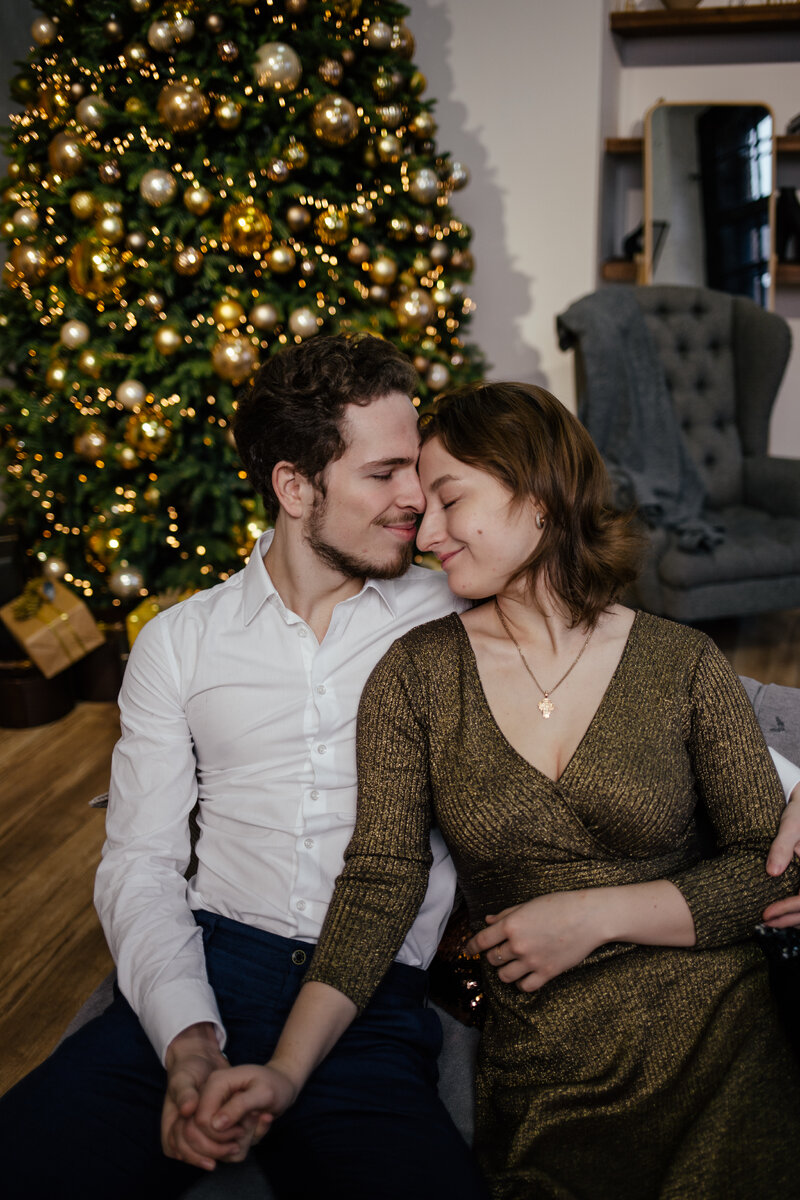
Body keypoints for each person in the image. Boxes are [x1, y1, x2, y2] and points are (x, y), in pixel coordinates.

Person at [191, 382, 800, 1200]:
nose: (425, 534)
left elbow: (774, 866)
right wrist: (285, 1072)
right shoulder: (416, 675)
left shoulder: (681, 662)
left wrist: (596, 915)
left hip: (721, 1037)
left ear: (539, 496)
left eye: (450, 501)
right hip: (551, 1067)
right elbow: (380, 883)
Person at [0, 334, 488, 1200]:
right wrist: (187, 1040)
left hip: (370, 995)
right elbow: (141, 862)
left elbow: (600, 652)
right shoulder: (180, 642)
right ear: (294, 487)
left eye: (414, 468)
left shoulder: (455, 609)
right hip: (214, 967)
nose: (417, 498)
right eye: (384, 473)